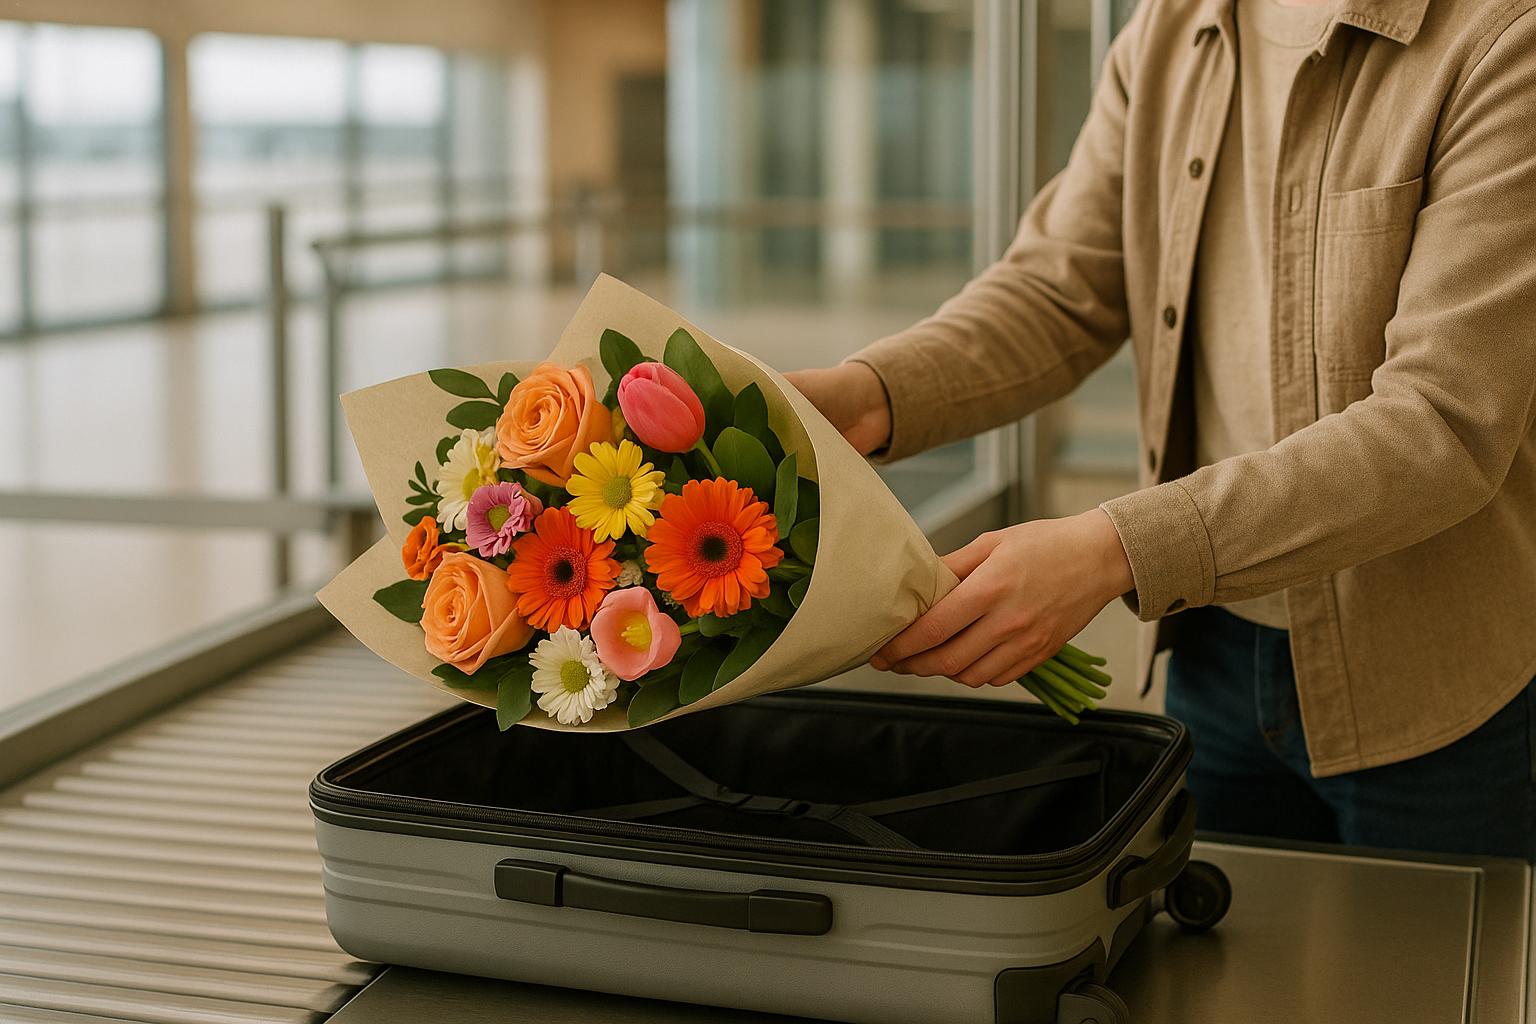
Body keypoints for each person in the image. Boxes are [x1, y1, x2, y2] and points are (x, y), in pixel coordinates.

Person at [786, 0, 1536, 860]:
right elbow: (1059, 292)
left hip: (1443, 682)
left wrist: (1116, 549)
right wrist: (864, 396)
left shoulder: (1503, 41)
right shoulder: (1170, 27)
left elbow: (1443, 423)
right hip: (1214, 647)